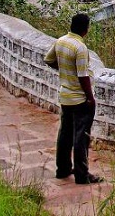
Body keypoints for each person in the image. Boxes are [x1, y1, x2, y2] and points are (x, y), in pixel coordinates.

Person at [44, 13, 104, 185]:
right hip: (79, 98)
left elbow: (48, 59)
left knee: (65, 134)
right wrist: (90, 97)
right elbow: (83, 75)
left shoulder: (61, 41)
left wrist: (64, 69)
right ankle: (82, 174)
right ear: (86, 29)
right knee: (81, 136)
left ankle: (62, 169)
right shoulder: (80, 48)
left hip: (65, 96)